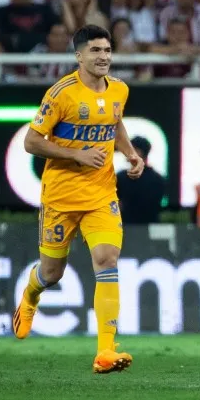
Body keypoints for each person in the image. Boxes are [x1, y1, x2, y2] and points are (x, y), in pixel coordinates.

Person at [15, 24, 144, 374]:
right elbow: (31, 142)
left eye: (107, 50)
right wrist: (76, 155)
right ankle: (30, 297)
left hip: (101, 194)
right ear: (79, 56)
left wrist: (131, 153)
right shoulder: (61, 94)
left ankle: (105, 351)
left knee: (107, 259)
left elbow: (114, 123)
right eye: (95, 51)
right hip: (61, 197)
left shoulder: (120, 89)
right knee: (52, 273)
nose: (103, 57)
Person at [117, 136, 166, 224]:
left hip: (128, 229)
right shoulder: (159, 179)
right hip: (148, 229)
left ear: (139, 152)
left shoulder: (121, 177)